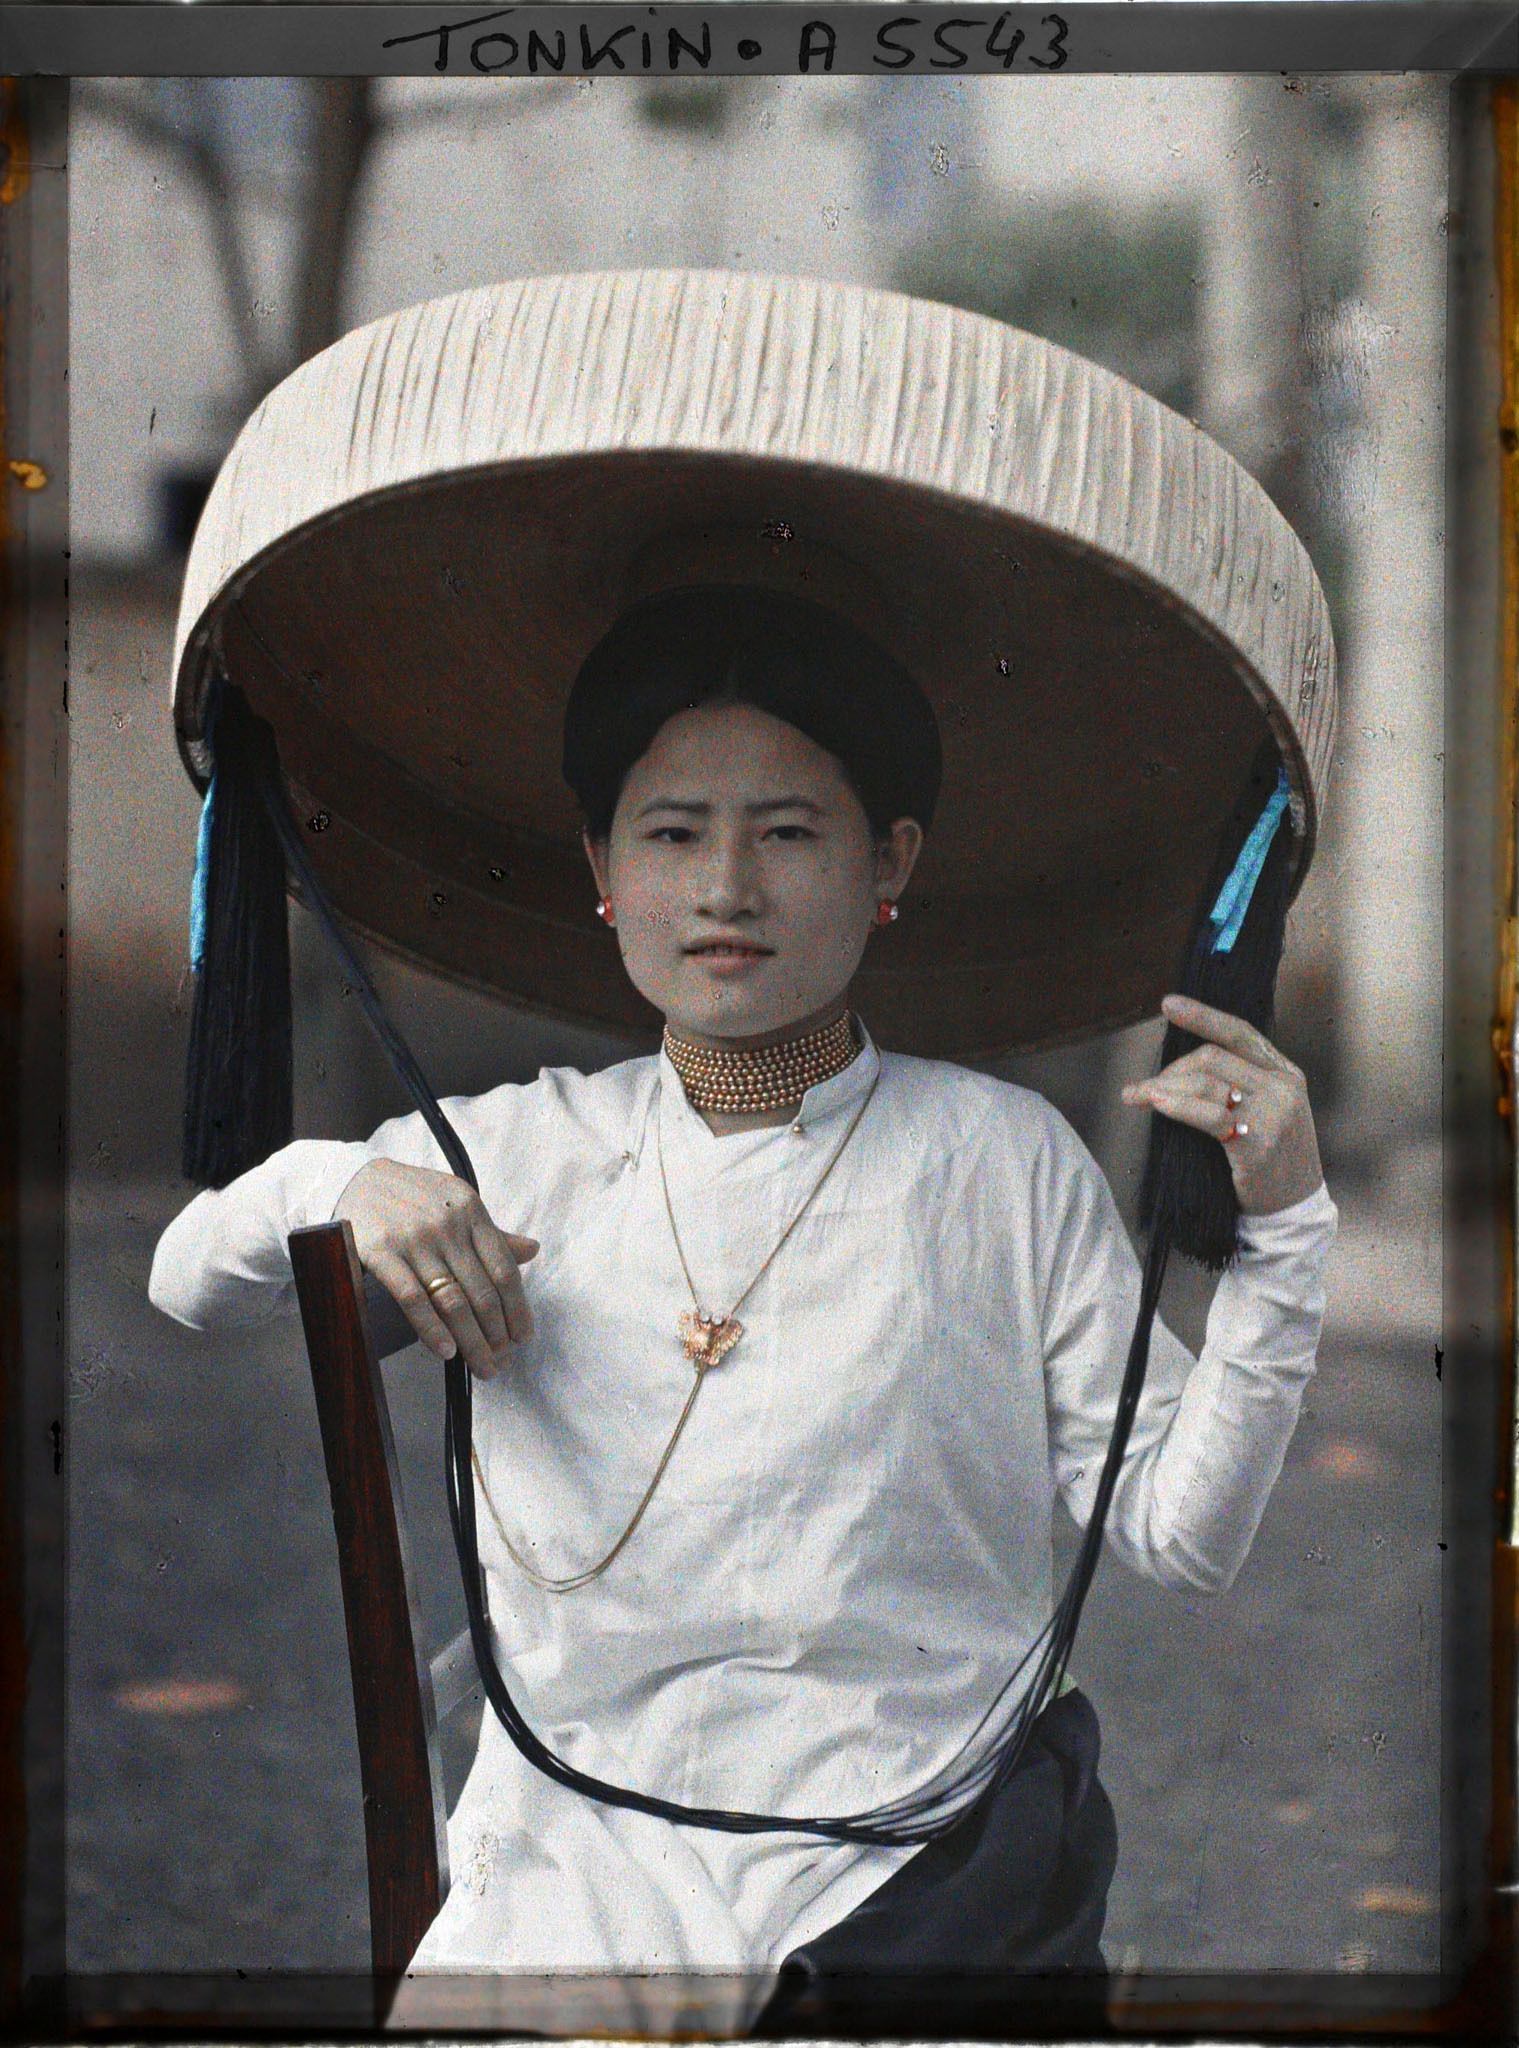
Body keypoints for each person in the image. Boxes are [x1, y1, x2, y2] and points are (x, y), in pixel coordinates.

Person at [149, 585, 1338, 2032]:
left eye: (787, 833)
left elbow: (1182, 1535)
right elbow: (189, 1272)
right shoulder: (523, 1146)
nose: (727, 887)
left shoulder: (1000, 1161)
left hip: (916, 1854)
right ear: (600, 866)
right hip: (583, 1850)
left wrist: (1283, 1234)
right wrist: (343, 1188)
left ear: (889, 861)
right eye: (670, 833)